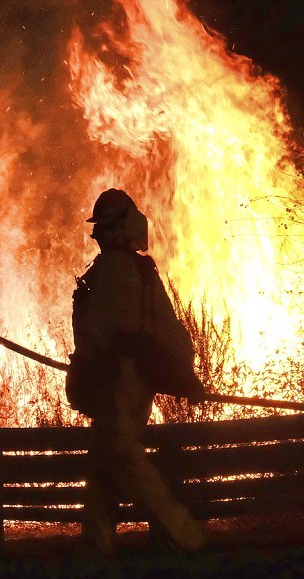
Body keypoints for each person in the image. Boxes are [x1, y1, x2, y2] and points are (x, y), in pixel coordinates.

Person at [67, 189, 208, 556]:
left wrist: (89, 366)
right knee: (102, 458)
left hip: (120, 378)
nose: (98, 235)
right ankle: (97, 543)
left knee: (123, 451)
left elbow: (106, 330)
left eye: (102, 227)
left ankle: (185, 534)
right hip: (123, 376)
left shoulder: (116, 269)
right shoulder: (131, 267)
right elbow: (161, 326)